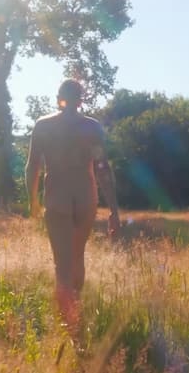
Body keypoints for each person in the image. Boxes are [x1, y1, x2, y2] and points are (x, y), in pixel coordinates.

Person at [25, 79, 121, 337]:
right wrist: (114, 210)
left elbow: (32, 166)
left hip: (57, 198)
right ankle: (74, 313)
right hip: (85, 198)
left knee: (62, 264)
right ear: (81, 99)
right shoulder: (92, 127)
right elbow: (102, 168)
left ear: (59, 98)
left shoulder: (43, 125)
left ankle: (69, 325)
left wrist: (32, 200)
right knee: (77, 256)